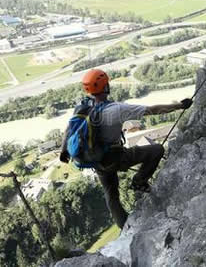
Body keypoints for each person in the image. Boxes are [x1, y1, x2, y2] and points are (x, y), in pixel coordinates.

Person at [59, 69, 193, 229]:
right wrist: (179, 105)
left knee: (111, 197)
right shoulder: (116, 110)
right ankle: (139, 180)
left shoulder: (82, 108)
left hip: (97, 162)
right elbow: (152, 110)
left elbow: (69, 128)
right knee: (157, 150)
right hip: (117, 157)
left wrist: (63, 151)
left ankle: (125, 228)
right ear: (106, 86)